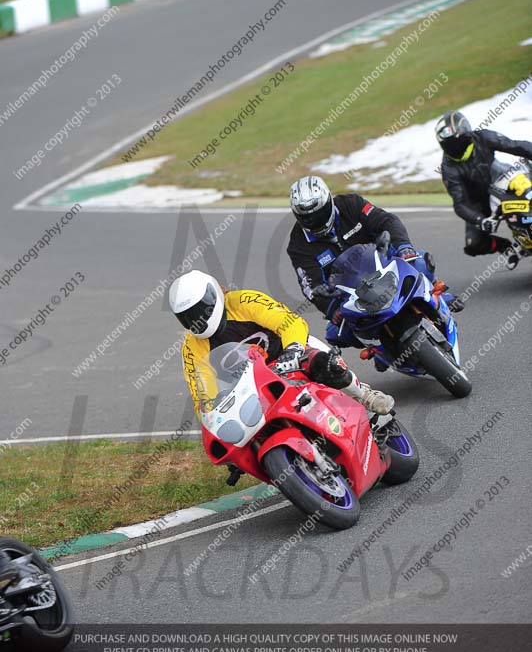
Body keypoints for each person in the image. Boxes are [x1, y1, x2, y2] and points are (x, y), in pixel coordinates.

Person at [169, 270, 395, 423]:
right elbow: (201, 393)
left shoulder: (244, 301)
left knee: (325, 364)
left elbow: (289, 322)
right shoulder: (192, 347)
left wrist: (293, 348)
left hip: (287, 356)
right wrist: (211, 412)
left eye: (200, 310)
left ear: (214, 296)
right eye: (187, 316)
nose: (196, 319)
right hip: (250, 390)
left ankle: (362, 394)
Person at [287, 176, 462, 354]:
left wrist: (403, 246)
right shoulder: (298, 245)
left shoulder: (351, 204)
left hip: (385, 264)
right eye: (307, 218)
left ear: (329, 201)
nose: (314, 221)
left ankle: (436, 297)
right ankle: (381, 352)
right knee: (336, 333)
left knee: (422, 262)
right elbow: (310, 285)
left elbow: (387, 221)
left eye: (319, 214)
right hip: (351, 293)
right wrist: (330, 306)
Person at [436, 110, 532, 268]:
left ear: (465, 133)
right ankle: (506, 247)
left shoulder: (483, 137)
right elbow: (459, 204)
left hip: (502, 181)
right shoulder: (448, 168)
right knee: (473, 244)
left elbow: (516, 146)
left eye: (455, 142)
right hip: (478, 202)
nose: (454, 148)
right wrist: (480, 220)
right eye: (448, 145)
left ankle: (526, 236)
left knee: (525, 190)